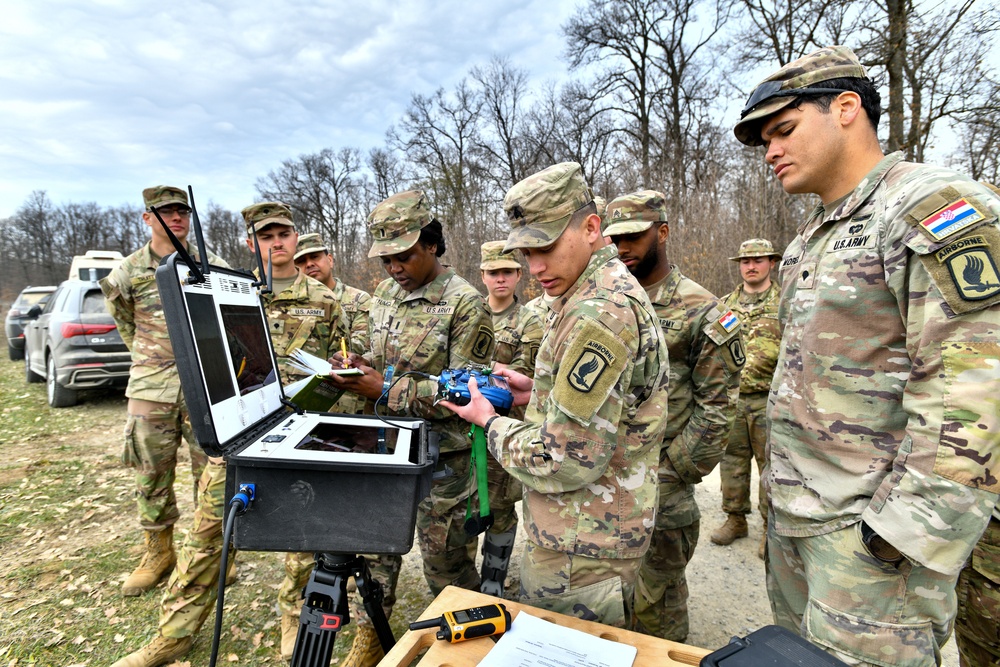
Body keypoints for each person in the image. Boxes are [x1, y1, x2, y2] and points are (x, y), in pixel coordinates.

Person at [734, 45, 1000, 666]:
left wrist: (901, 538)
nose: (771, 151)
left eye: (784, 130)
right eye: (765, 139)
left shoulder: (927, 205)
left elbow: (974, 384)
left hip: (872, 538)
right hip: (799, 522)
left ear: (847, 108)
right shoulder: (808, 239)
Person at [111, 201, 347, 667]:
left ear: (296, 239)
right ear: (250, 243)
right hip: (240, 433)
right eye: (265, 236)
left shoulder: (325, 300)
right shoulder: (228, 294)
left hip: (300, 430)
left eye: (284, 234)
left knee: (301, 537)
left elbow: (341, 358)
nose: (276, 243)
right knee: (207, 533)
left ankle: (292, 616)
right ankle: (174, 633)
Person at [444, 162, 670, 629]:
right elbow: (610, 407)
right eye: (526, 252)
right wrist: (538, 395)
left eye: (545, 247)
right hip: (588, 533)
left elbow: (564, 459)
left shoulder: (597, 312)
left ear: (591, 228)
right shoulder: (594, 292)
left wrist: (491, 422)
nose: (535, 267)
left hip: (583, 545)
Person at [327, 190, 495, 667]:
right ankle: (370, 635)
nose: (394, 269)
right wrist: (357, 364)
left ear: (431, 244)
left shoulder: (465, 304)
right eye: (386, 260)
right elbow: (377, 355)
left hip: (443, 460)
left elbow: (467, 396)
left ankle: (467, 648)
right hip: (383, 447)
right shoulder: (383, 296)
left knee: (447, 564)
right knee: (375, 551)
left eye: (403, 256)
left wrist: (383, 388)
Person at [605, 190, 743, 641]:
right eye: (614, 238)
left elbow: (718, 406)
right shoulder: (606, 302)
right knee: (606, 598)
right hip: (603, 477)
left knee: (656, 604)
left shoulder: (702, 309)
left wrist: (672, 471)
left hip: (661, 480)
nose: (622, 248)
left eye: (633, 236)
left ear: (662, 233)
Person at [102, 185, 228, 598]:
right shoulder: (127, 271)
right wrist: (154, 359)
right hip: (150, 387)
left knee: (208, 474)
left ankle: (205, 554)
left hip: (204, 386)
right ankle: (157, 552)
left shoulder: (210, 264)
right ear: (147, 218)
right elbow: (126, 324)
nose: (176, 218)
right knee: (151, 471)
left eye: (182, 212)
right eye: (166, 212)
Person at [477, 240, 543, 597]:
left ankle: (493, 579)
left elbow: (526, 374)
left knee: (501, 507)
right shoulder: (470, 312)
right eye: (493, 273)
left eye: (507, 272)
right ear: (482, 275)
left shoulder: (532, 320)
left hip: (507, 426)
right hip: (464, 429)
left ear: (519, 275)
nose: (500, 279)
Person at [710, 238, 782, 560]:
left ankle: (771, 530)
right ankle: (735, 518)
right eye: (745, 261)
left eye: (758, 260)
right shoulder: (726, 306)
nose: (751, 266)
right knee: (733, 463)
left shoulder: (785, 303)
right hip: (735, 399)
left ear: (771, 263)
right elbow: (715, 350)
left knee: (772, 467)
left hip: (771, 399)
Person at [292, 231, 372, 414]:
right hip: (304, 401)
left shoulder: (359, 299)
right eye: (301, 261)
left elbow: (360, 347)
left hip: (348, 403)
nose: (309, 264)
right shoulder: (292, 306)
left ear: (330, 259)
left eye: (315, 257)